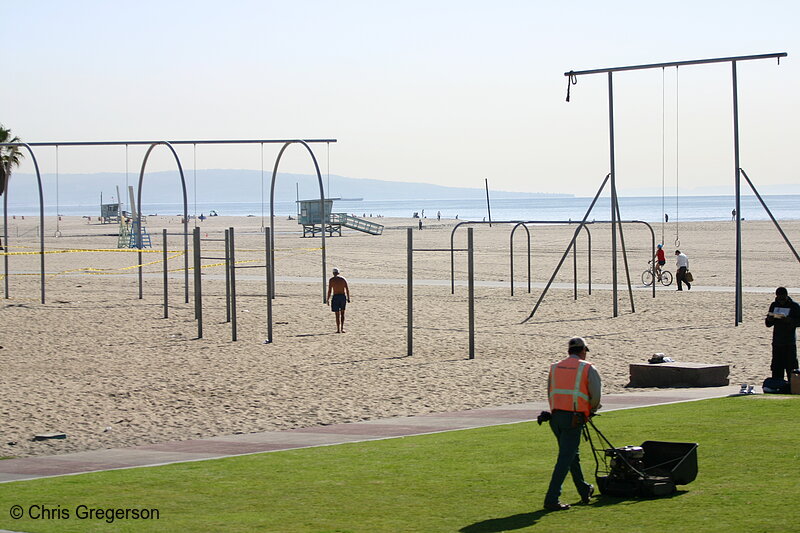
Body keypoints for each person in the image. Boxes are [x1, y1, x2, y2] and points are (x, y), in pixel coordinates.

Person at [544, 337, 602, 511]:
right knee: (565, 458)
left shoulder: (555, 367)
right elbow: (596, 395)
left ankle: (584, 489)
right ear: (583, 350)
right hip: (574, 418)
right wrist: (590, 411)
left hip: (555, 417)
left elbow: (550, 391)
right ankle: (551, 498)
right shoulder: (587, 368)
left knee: (571, 456)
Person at [765, 287, 800, 381]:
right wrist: (769, 319)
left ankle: (792, 386)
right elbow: (768, 324)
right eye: (779, 298)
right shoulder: (774, 305)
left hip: (789, 342)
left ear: (786, 296)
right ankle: (777, 386)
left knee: (791, 368)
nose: (781, 301)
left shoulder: (794, 306)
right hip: (777, 342)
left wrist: (790, 321)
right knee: (777, 368)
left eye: (783, 298)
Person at [325, 268, 350, 333]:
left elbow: (329, 291)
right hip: (342, 297)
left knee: (337, 314)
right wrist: (348, 297)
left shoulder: (331, 280)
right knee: (342, 313)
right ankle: (342, 328)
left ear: (333, 273)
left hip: (336, 297)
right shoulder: (342, 279)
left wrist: (327, 299)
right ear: (338, 273)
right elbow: (347, 289)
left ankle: (338, 329)